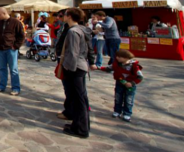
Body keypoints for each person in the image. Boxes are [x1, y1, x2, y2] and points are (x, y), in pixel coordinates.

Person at [59, 7, 93, 138]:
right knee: (81, 98)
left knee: (79, 99)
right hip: (81, 65)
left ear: (69, 16)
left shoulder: (73, 32)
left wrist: (68, 68)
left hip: (75, 67)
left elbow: (73, 53)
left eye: (65, 15)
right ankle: (80, 125)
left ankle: (81, 129)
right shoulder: (82, 29)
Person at [93, 49, 143, 122]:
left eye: (120, 57)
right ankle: (117, 111)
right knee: (118, 98)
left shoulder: (134, 66)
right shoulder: (116, 64)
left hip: (129, 85)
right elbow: (108, 68)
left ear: (126, 57)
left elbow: (140, 77)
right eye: (117, 56)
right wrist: (98, 67)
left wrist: (132, 83)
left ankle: (127, 113)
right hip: (120, 83)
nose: (117, 58)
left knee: (129, 100)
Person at [0, 7, 25, 96]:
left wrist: (15, 46)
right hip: (1, 48)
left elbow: (21, 36)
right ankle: (1, 86)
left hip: (11, 49)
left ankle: (16, 88)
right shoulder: (0, 23)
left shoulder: (16, 22)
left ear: (4, 13)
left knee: (13, 69)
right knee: (2, 68)